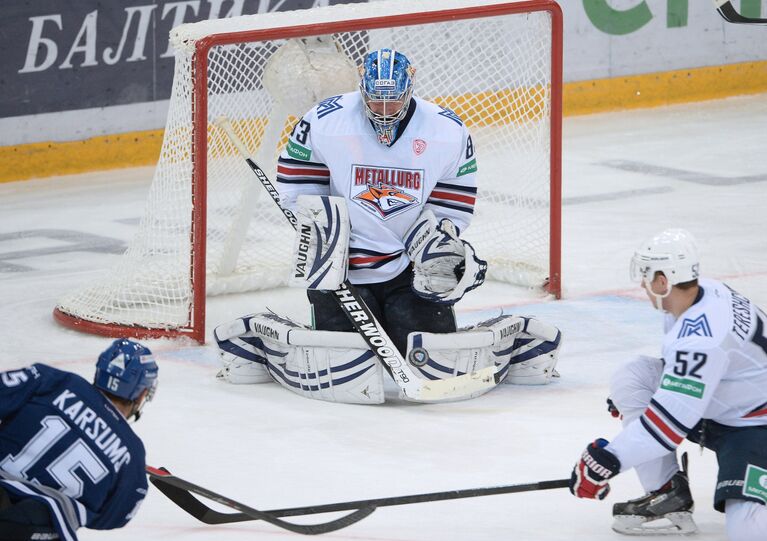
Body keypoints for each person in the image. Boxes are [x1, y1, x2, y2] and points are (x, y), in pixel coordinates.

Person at [213, 47, 562, 404]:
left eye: (391, 102)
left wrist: (436, 246)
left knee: (434, 357)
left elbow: (453, 199)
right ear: (362, 90)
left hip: (408, 268)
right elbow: (299, 177)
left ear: (409, 90)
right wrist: (320, 230)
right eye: (375, 101)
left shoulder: (447, 130)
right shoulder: (325, 119)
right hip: (342, 268)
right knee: (340, 359)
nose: (382, 110)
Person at [569, 229, 767, 540]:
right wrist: (643, 401)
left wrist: (606, 461)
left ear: (664, 280)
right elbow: (682, 384)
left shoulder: (701, 339)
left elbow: (666, 427)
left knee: (747, 530)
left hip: (755, 425)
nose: (643, 284)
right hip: (729, 402)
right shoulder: (702, 295)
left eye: (646, 275)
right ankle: (666, 493)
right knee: (632, 377)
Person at [0, 339, 159, 541]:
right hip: (34, 530)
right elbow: (111, 519)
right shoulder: (132, 454)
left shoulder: (53, 380)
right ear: (142, 393)